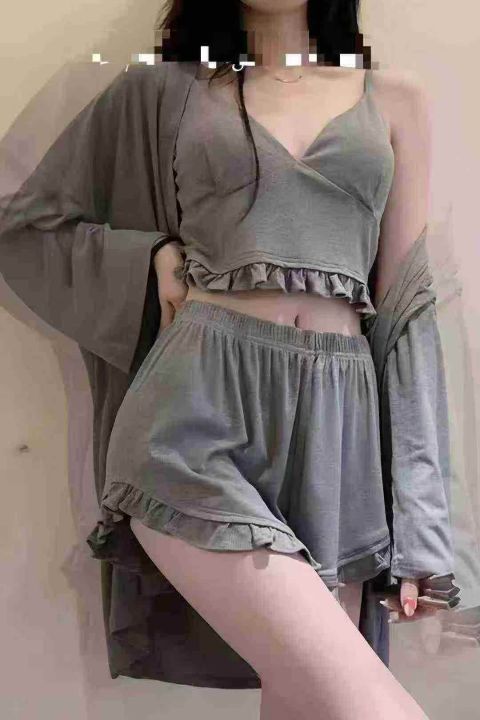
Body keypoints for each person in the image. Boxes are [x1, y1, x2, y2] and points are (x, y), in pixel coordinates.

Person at [0, 1, 458, 718]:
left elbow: (406, 312)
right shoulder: (166, 88)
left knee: (315, 707)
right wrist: (150, 257)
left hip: (337, 442)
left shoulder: (396, 97)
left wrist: (424, 523)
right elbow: (24, 224)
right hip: (194, 423)